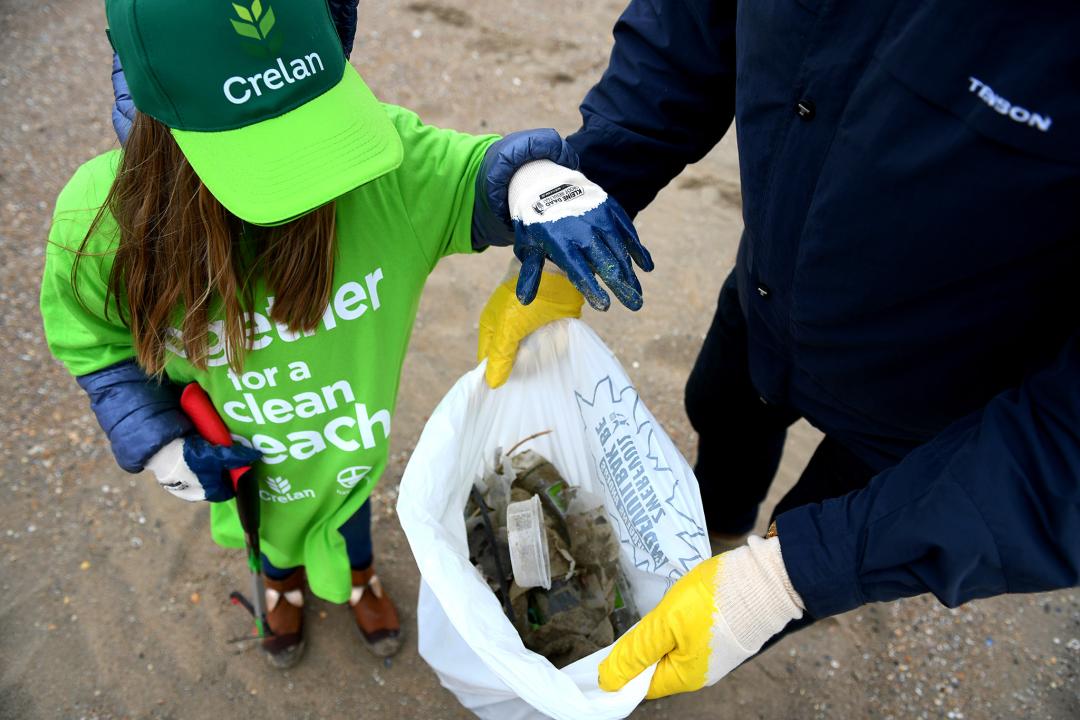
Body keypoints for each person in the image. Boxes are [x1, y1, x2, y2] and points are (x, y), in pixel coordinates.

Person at [478, 0, 1080, 700]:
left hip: (936, 397)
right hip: (766, 298)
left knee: (819, 532)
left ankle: (750, 586)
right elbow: (688, 28)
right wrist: (587, 194)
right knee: (720, 409)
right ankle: (719, 527)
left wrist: (790, 578)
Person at [42, 0, 650, 669]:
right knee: (268, 531)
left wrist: (533, 181)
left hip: (349, 452)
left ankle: (359, 576)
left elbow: (464, 175)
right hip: (245, 455)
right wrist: (154, 440)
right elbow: (93, 341)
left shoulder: (382, 172)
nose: (304, 186)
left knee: (351, 509)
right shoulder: (102, 223)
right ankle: (282, 588)